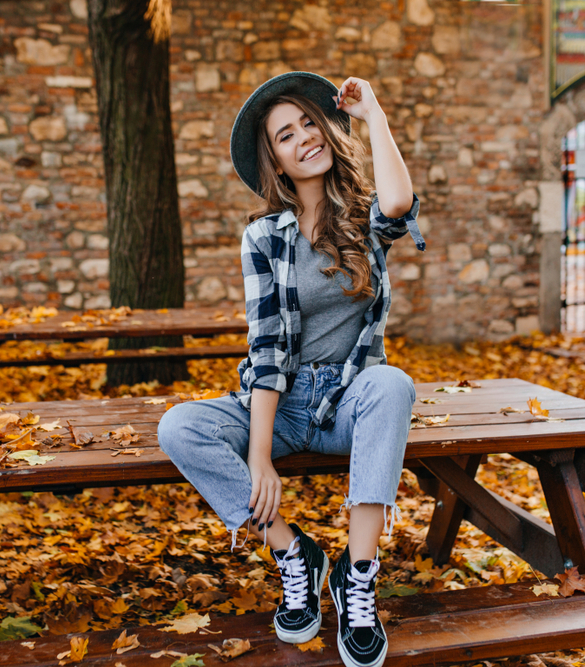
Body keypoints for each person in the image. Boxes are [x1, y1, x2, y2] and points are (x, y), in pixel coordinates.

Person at [158, 71, 425, 667]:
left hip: (351, 399)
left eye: (310, 122)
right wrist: (258, 456)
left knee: (394, 383)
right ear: (273, 161)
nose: (304, 137)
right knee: (179, 426)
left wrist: (373, 113)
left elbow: (400, 202)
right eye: (285, 134)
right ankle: (295, 554)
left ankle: (358, 577)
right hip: (284, 404)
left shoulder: (363, 218)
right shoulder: (263, 237)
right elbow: (268, 347)